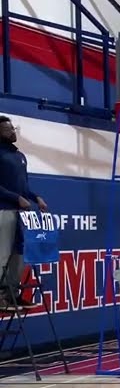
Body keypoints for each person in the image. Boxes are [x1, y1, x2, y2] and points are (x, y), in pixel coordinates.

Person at [0, 117, 46, 307]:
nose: (13, 132)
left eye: (14, 128)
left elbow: (23, 187)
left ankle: (12, 293)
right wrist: (15, 198)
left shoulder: (19, 156)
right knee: (2, 254)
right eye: (8, 129)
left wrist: (36, 198)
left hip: (21, 213)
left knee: (19, 253)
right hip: (3, 210)